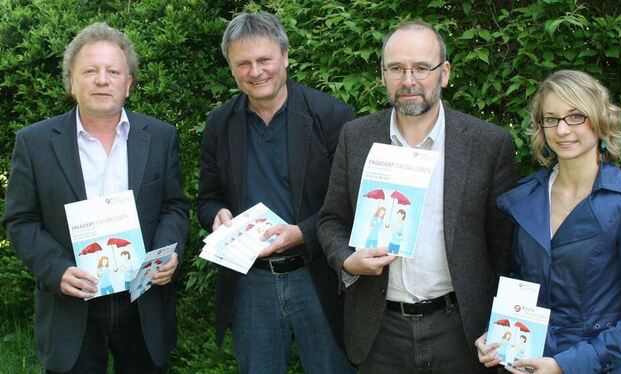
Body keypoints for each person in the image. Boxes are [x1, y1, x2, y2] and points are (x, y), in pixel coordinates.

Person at [318, 20, 517, 373]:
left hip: (461, 328)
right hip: (379, 330)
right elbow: (332, 220)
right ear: (382, 74)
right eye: (396, 68)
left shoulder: (488, 144)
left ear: (444, 73)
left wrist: (501, 325)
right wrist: (348, 261)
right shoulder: (356, 137)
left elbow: (503, 247)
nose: (408, 80)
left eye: (422, 68)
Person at [2, 22, 189, 373]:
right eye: (90, 71)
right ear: (71, 83)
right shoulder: (35, 143)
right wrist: (56, 270)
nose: (102, 80)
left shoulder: (161, 137)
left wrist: (168, 252)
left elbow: (173, 206)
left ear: (128, 84)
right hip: (72, 306)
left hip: (143, 302)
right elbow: (20, 220)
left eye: (113, 71)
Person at [475, 70, 621, 374]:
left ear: (600, 121)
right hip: (524, 364)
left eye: (576, 116)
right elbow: (519, 284)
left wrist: (564, 365)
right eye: (551, 119)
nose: (562, 129)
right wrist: (497, 333)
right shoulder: (526, 199)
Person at [197, 11, 356, 373]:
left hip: (317, 276)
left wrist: (301, 233)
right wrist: (217, 215)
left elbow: (351, 200)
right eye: (244, 63)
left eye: (264, 59)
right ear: (232, 68)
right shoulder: (219, 123)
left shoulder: (331, 116)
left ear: (285, 57)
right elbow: (208, 198)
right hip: (251, 282)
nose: (256, 71)